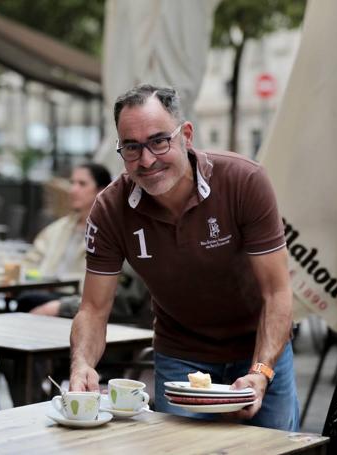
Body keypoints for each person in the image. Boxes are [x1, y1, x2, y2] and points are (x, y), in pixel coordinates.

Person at [69, 84, 298, 431]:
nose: (146, 160)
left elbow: (277, 293)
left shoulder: (244, 181)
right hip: (181, 356)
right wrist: (82, 363)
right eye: (132, 147)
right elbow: (93, 309)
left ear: (186, 135)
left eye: (159, 141)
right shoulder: (109, 208)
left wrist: (261, 371)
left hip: (260, 349)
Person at [17, 163, 112, 316]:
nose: (73, 190)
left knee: (27, 300)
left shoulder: (109, 231)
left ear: (101, 190)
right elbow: (31, 261)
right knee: (24, 297)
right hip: (46, 290)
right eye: (72, 183)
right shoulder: (59, 228)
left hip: (78, 299)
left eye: (82, 184)